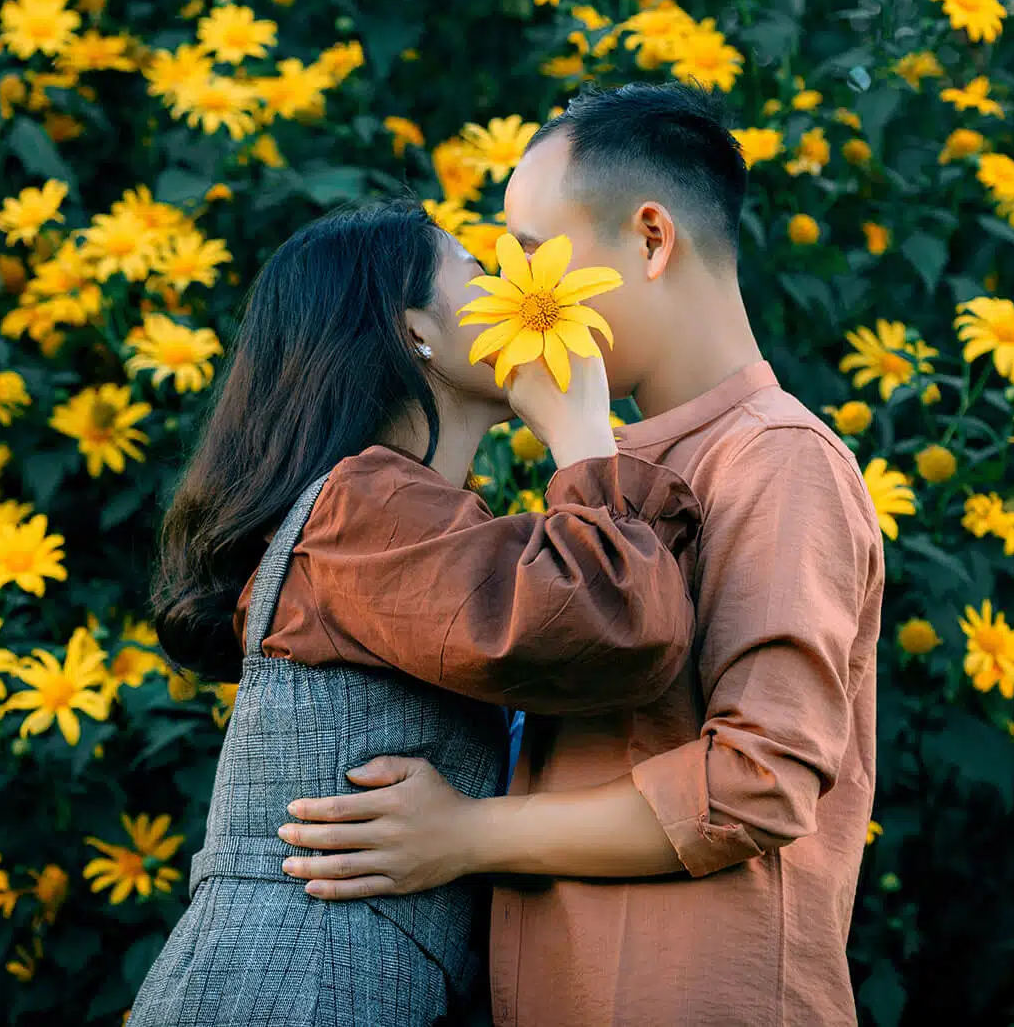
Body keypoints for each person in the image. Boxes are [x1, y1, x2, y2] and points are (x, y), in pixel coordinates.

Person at [278, 82, 887, 1027]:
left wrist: (466, 834)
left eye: (529, 256)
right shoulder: (610, 473)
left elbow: (759, 782)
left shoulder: (777, 458)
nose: (514, 296)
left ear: (650, 241)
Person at [129, 199, 701, 1027]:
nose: (513, 286)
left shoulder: (396, 519)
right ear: (415, 334)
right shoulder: (361, 511)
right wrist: (583, 434)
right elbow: (615, 628)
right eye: (476, 272)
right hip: (295, 990)